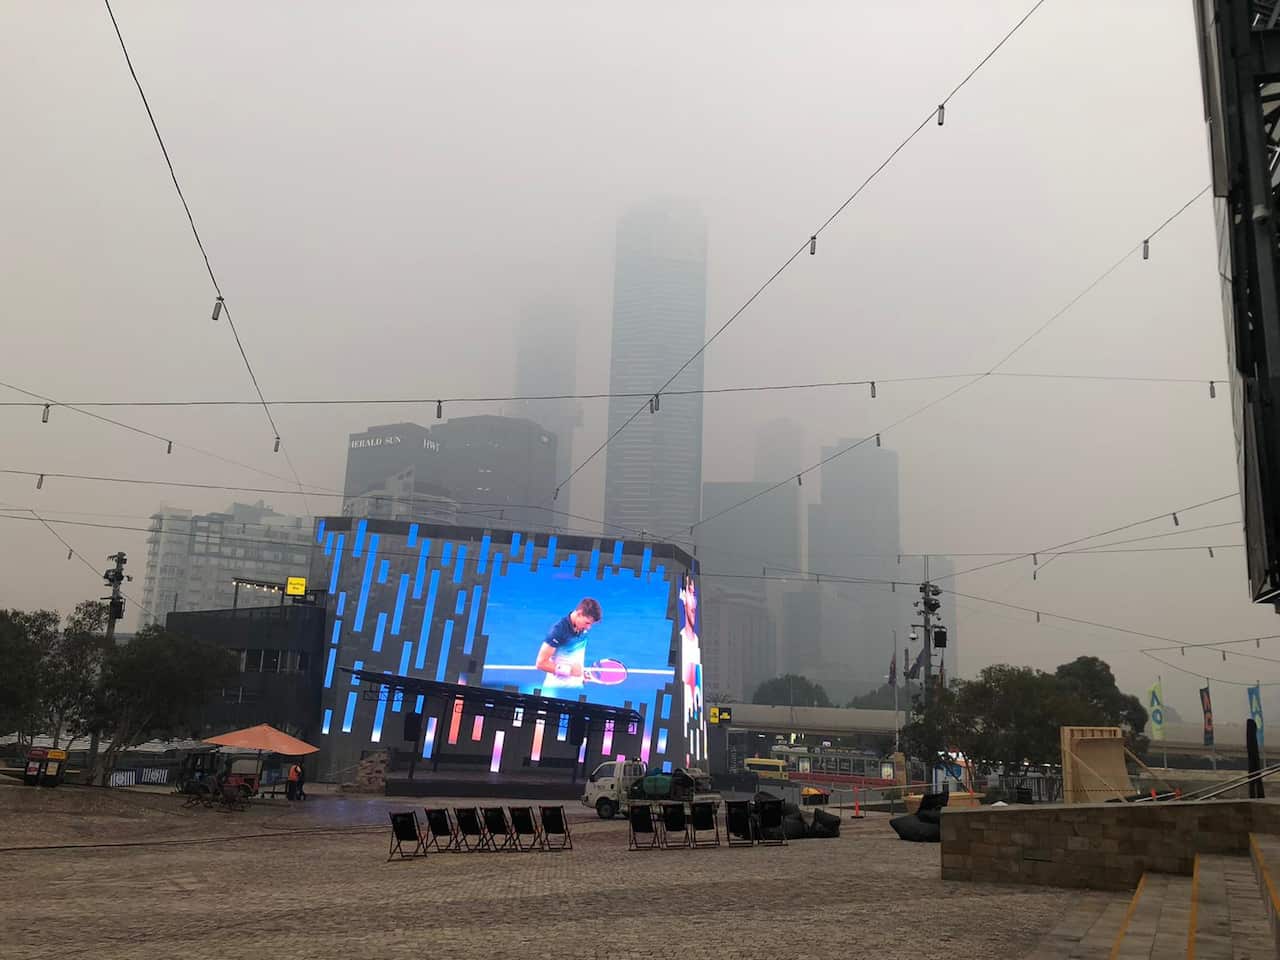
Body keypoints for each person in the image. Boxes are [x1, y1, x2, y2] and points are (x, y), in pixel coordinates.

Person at [534, 598, 602, 690]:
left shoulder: (582, 627)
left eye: (591, 624)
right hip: (557, 690)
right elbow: (541, 663)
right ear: (579, 613)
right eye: (587, 623)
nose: (588, 627)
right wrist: (569, 671)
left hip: (577, 688)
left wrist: (581, 674)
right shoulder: (559, 631)